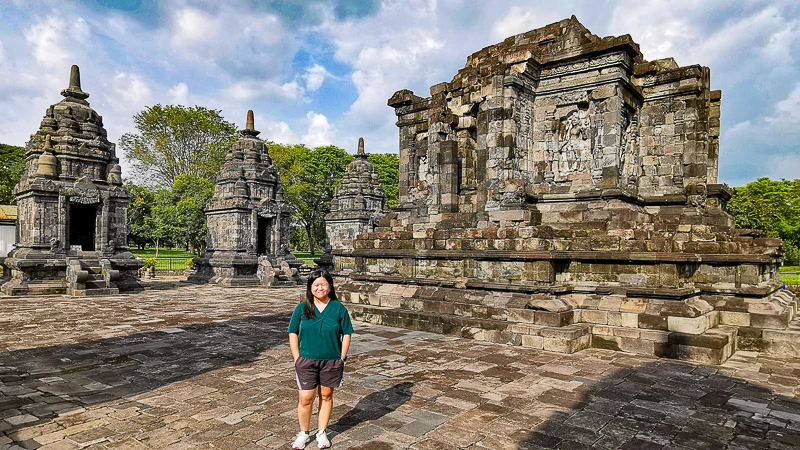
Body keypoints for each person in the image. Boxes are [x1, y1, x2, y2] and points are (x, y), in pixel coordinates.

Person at [288, 269, 353, 449]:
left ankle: (322, 431)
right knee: (306, 397)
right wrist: (296, 357)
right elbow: (293, 332)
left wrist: (342, 357)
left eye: (323, 284)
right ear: (310, 287)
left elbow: (347, 333)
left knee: (326, 395)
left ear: (330, 287)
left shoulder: (338, 308)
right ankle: (303, 432)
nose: (320, 287)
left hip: (331, 360)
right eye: (315, 284)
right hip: (306, 361)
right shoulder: (302, 308)